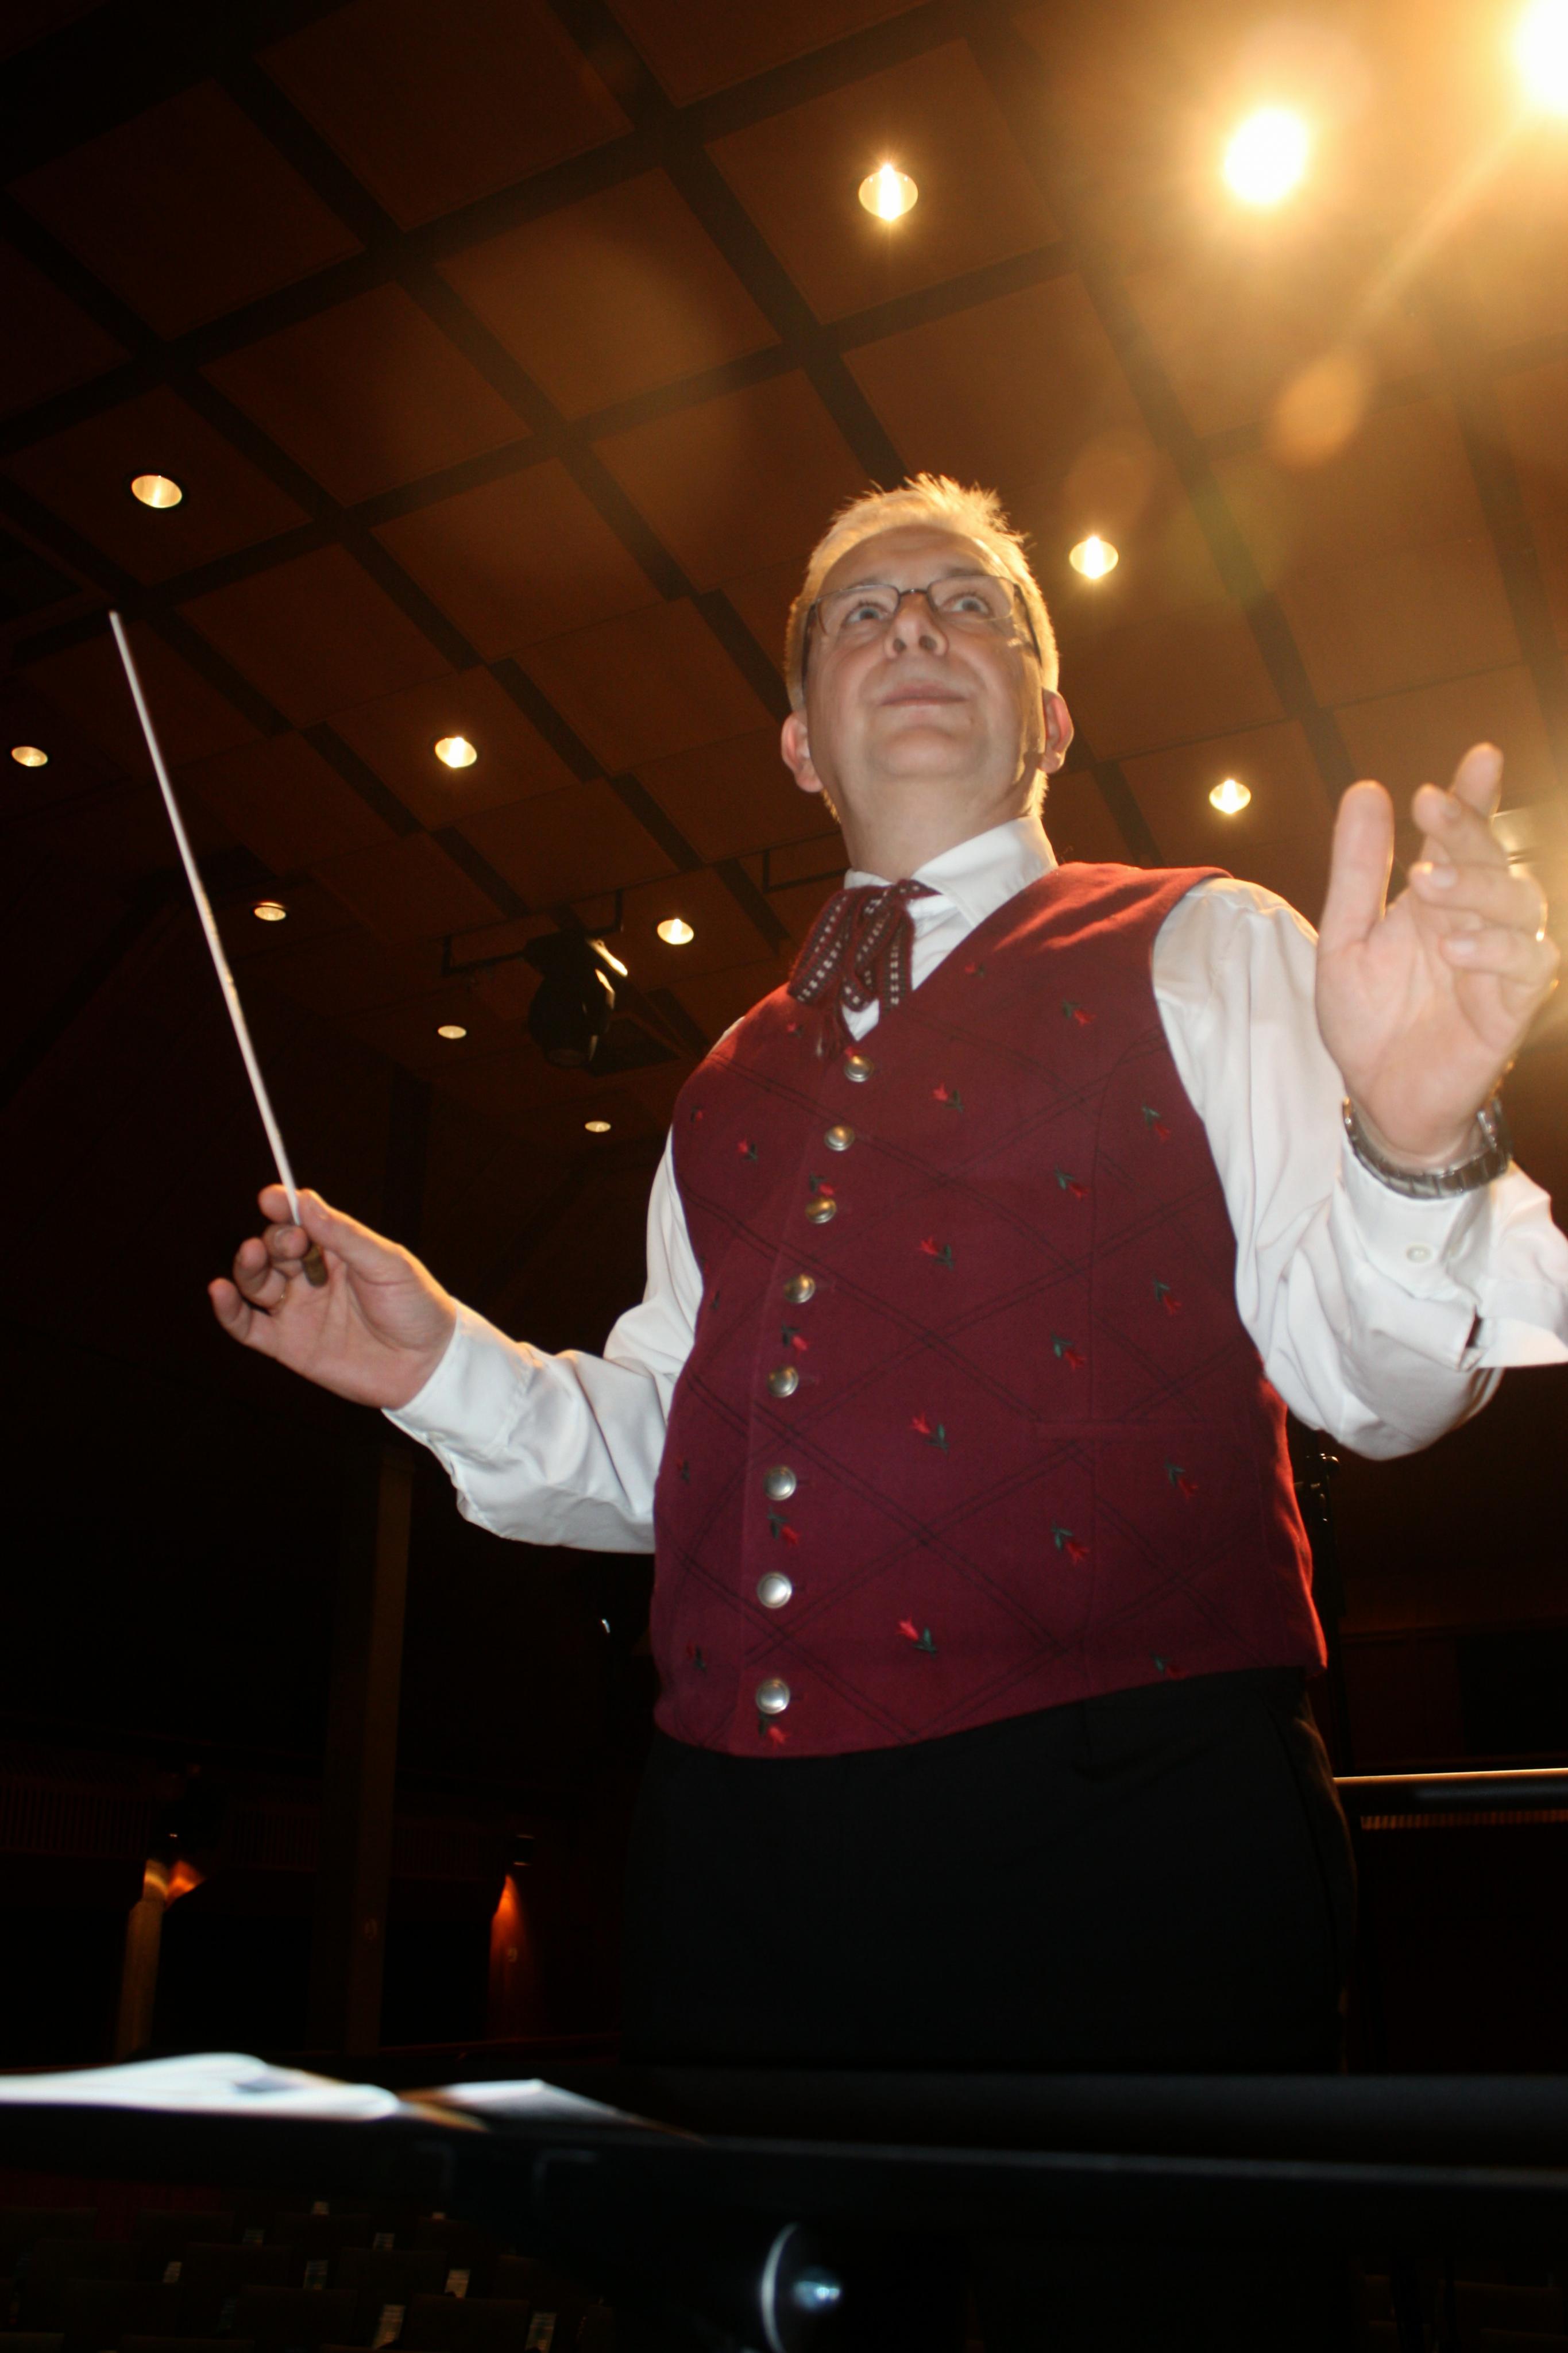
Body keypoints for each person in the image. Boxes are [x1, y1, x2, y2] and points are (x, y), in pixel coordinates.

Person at [214, 476, 1566, 2346]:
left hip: (1117, 1852)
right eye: (862, 612)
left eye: (967, 605)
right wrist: (436, 1362)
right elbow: (682, 1454)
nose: (915, 627)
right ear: (796, 739)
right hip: (732, 1880)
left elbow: (1371, 1389)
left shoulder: (1209, 942)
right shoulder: (724, 1078)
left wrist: (1416, 1146)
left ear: (1051, 715)